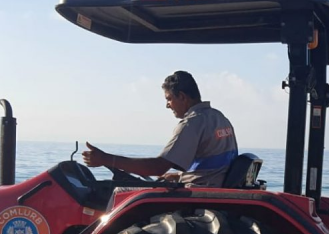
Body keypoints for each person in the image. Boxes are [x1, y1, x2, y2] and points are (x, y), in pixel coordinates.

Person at [83, 71, 238, 187]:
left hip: (197, 196)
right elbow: (214, 167)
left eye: (169, 99)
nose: (167, 105)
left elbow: (157, 168)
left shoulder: (192, 124)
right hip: (213, 189)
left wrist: (106, 159)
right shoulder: (220, 118)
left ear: (182, 97)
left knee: (119, 193)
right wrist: (178, 176)